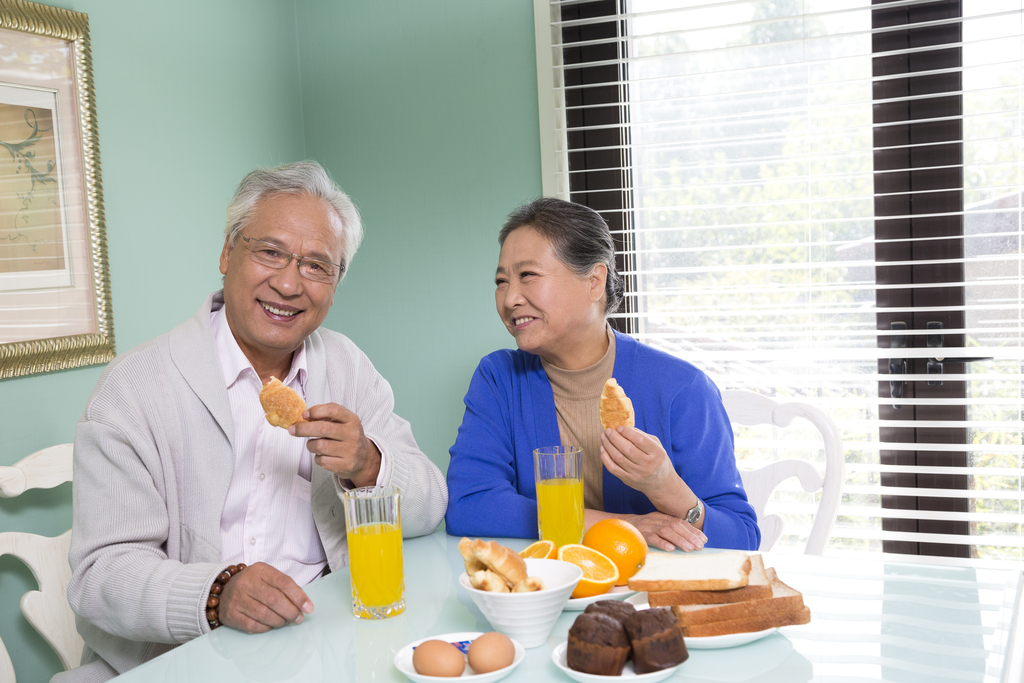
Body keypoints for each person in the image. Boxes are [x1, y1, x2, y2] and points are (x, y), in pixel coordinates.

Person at [60, 161, 447, 682]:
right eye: (270, 252)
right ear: (227, 252)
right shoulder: (135, 387)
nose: (289, 284)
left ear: (336, 283)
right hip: (183, 658)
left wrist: (369, 462)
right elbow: (100, 576)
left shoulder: (348, 367)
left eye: (316, 265)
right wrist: (217, 594)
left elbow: (429, 507)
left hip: (327, 640)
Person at [445, 198, 758, 553]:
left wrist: (663, 485)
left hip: (648, 593)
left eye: (527, 275)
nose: (510, 297)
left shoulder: (682, 388)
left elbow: (741, 537)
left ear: (594, 282)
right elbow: (469, 505)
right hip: (548, 588)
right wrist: (622, 525)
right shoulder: (498, 378)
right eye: (501, 281)